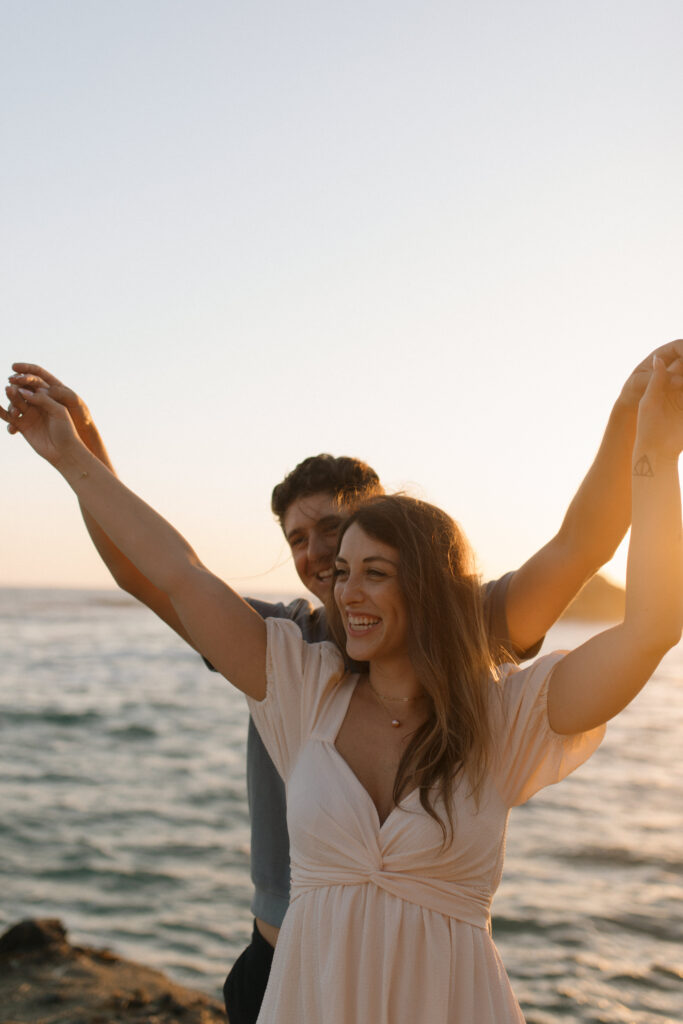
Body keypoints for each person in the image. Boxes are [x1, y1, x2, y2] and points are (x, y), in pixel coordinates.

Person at [3, 344, 683, 1021]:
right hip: (298, 985)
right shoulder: (296, 675)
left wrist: (646, 436)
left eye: (367, 564)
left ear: (424, 579)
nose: (337, 580)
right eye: (323, 554)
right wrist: (72, 455)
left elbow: (632, 602)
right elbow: (169, 572)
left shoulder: (502, 708)